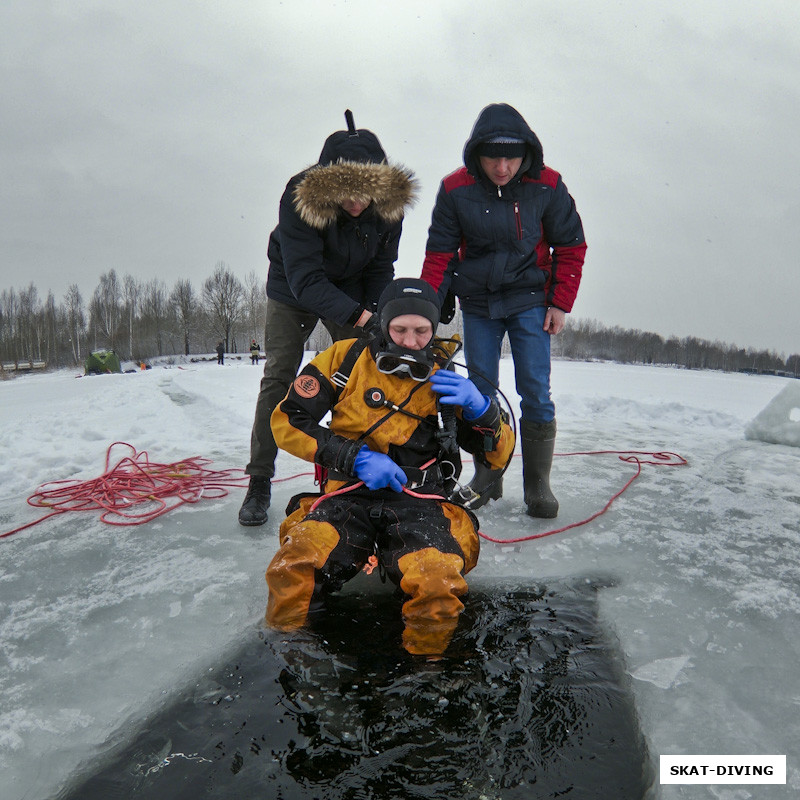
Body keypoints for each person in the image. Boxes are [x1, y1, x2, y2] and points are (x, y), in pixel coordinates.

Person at [265, 278, 515, 656]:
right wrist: (354, 457)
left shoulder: (446, 378)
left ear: (434, 331)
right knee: (295, 565)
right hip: (347, 495)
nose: (410, 342)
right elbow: (288, 420)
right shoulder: (344, 359)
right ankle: (293, 657)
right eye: (399, 329)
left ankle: (427, 672)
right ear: (383, 325)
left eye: (421, 331)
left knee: (436, 585)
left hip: (422, 503)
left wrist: (485, 411)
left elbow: (496, 457)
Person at [238, 111, 418, 527]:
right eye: (346, 193)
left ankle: (356, 466)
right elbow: (305, 279)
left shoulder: (389, 209)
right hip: (293, 289)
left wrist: (377, 314)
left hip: (353, 285)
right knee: (280, 376)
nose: (356, 204)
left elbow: (381, 268)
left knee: (365, 368)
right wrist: (359, 314)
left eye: (364, 195)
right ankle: (259, 480)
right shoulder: (299, 199)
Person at [420, 103, 587, 518]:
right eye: (492, 157)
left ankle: (538, 485)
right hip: (478, 303)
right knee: (481, 390)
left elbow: (570, 246)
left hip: (530, 299)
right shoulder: (455, 189)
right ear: (476, 154)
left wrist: (560, 303)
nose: (501, 167)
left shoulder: (548, 185)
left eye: (510, 157)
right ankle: (488, 478)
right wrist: (423, 307)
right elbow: (440, 254)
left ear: (526, 154)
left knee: (535, 388)